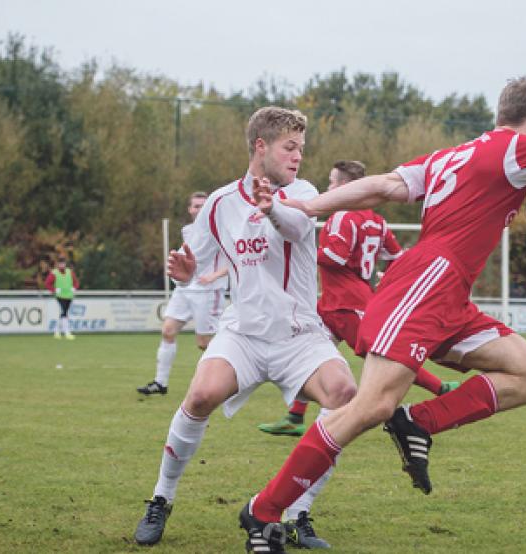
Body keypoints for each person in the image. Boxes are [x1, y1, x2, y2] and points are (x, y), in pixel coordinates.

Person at [237, 77, 526, 552]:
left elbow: (382, 185)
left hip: (449, 296)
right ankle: (263, 510)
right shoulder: (522, 148)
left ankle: (418, 423)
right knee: (368, 407)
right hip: (425, 284)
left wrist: (309, 204)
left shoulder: (451, 155)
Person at [133, 107, 356, 550]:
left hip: (299, 335)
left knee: (345, 395)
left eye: (301, 149)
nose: (297, 157)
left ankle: (298, 512)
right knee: (199, 395)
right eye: (289, 147)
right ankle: (161, 498)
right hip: (244, 333)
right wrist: (183, 271)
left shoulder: (303, 191)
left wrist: (272, 207)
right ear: (261, 146)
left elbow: (296, 225)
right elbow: (191, 265)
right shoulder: (218, 204)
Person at [257, 160, 459, 437]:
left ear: (344, 186)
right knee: (308, 355)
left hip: (346, 304)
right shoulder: (377, 220)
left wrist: (302, 252)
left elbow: (335, 257)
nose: (329, 188)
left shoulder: (342, 216)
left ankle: (441, 389)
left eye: (331, 182)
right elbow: (396, 256)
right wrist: (385, 279)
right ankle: (294, 416)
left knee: (382, 356)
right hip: (337, 301)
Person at [137, 191, 229, 396]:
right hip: (185, 289)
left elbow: (235, 258)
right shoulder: (187, 231)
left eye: (203, 205)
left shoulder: (221, 230)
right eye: (195, 206)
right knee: (168, 331)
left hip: (208, 291)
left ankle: (230, 379)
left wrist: (214, 276)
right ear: (189, 209)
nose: (199, 209)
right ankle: (160, 383)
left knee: (204, 344)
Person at [45, 257, 79, 340]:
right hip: (60, 296)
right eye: (60, 263)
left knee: (64, 313)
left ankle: (56, 331)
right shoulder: (54, 273)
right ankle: (67, 332)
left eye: (63, 263)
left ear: (65, 264)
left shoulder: (69, 272)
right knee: (64, 313)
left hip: (69, 295)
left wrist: (74, 288)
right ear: (58, 264)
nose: (62, 265)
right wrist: (54, 290)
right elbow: (47, 284)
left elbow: (76, 282)